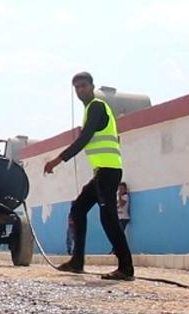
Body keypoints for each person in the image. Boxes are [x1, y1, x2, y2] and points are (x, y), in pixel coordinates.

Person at [43, 72, 135, 281]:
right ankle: (77, 261)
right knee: (78, 208)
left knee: (108, 218)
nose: (80, 90)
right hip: (102, 172)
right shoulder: (90, 109)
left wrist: (58, 160)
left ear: (92, 86)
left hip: (108, 171)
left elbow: (84, 138)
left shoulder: (96, 106)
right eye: (77, 87)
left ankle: (126, 268)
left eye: (84, 85)